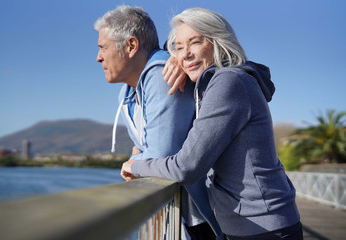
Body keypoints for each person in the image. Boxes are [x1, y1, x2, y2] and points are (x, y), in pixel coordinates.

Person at [121, 7, 303, 240]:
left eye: (195, 42)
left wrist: (136, 165)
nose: (185, 54)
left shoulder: (229, 82)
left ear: (218, 41)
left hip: (264, 229)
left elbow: (186, 167)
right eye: (178, 47)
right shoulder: (216, 84)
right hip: (244, 225)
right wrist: (178, 55)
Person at [94, 5, 221, 239]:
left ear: (131, 46)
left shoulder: (162, 74)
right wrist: (140, 153)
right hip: (179, 214)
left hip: (203, 212)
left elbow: (162, 152)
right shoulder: (128, 93)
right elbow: (148, 148)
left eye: (103, 47)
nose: (98, 57)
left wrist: (133, 160)